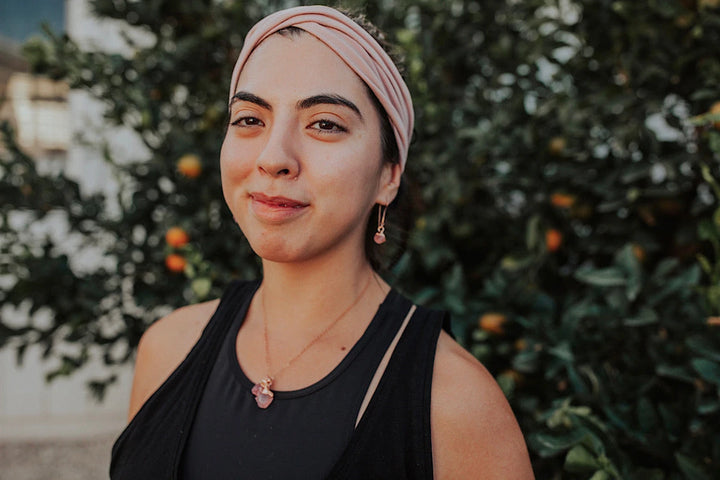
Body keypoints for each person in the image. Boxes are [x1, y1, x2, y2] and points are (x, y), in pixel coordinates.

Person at [110, 5, 534, 479]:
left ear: (388, 177)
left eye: (324, 124)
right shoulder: (166, 351)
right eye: (250, 119)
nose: (274, 158)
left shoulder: (454, 405)